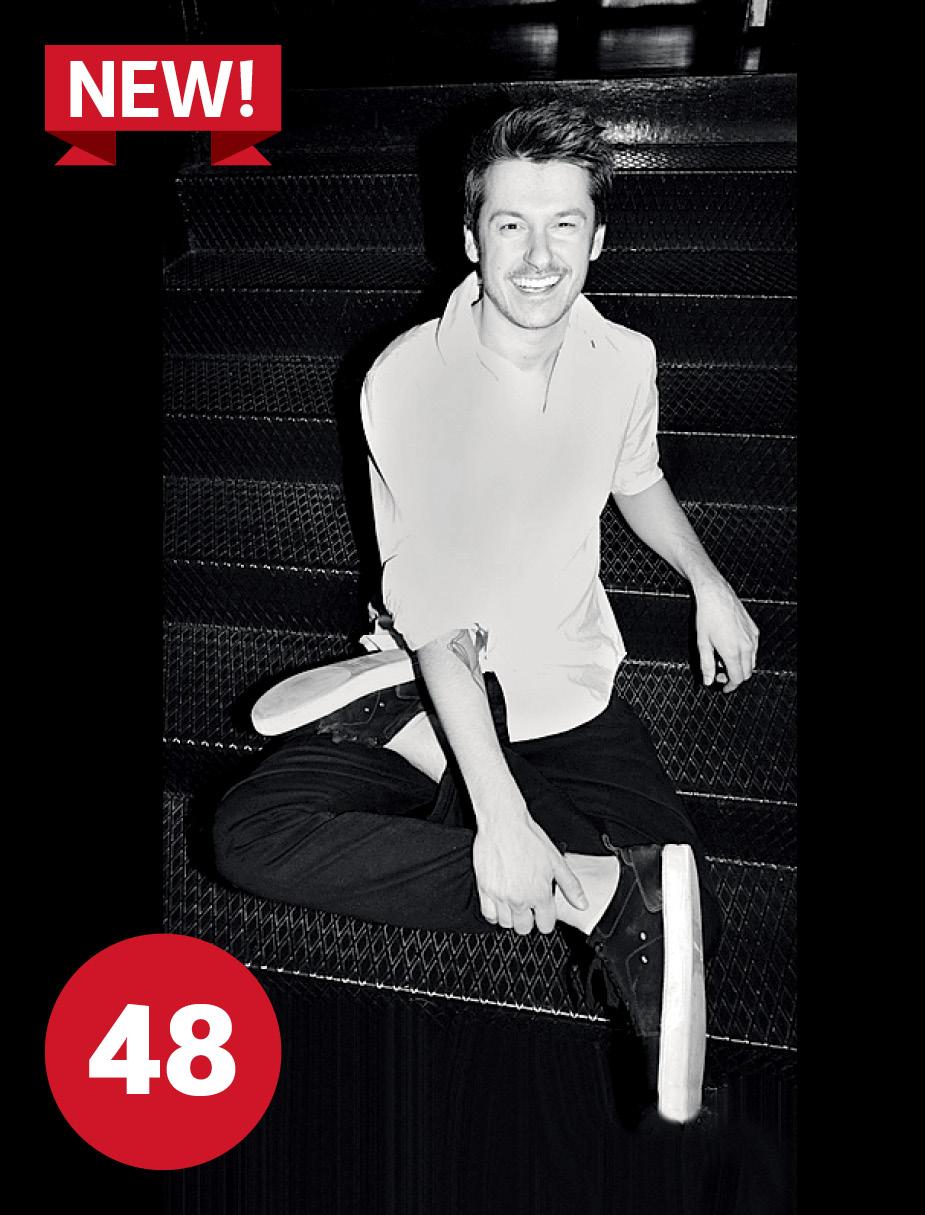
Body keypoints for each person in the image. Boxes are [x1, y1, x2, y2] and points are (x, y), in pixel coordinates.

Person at [213, 101, 759, 1123]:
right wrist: (503, 820)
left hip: (568, 692)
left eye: (564, 226)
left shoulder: (625, 359)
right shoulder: (413, 384)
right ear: (471, 239)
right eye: (511, 225)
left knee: (703, 924)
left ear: (599, 238)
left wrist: (706, 579)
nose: (538, 258)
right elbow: (446, 631)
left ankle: (489, 809)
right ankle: (584, 883)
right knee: (248, 834)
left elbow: (635, 475)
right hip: (440, 675)